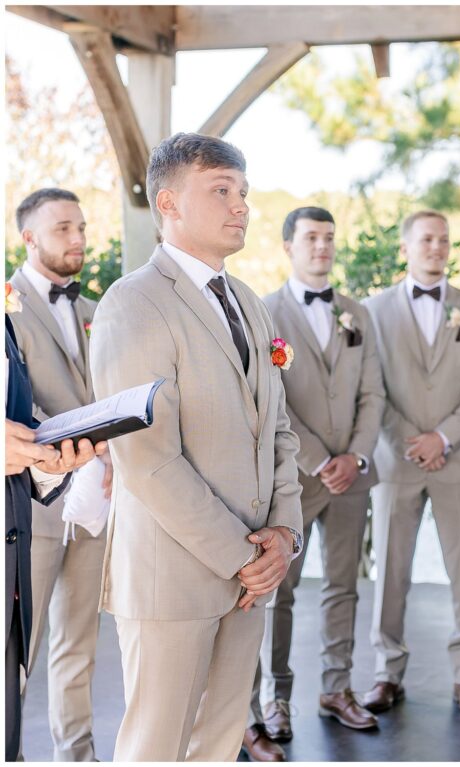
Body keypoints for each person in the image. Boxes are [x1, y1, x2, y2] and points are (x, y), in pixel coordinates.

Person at [89, 132, 304, 761]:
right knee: (155, 750)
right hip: (174, 578)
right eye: (221, 191)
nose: (240, 206)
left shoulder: (250, 305)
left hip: (252, 575)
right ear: (169, 202)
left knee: (216, 748)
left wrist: (284, 534)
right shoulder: (133, 302)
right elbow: (145, 459)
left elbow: (279, 430)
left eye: (243, 192)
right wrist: (240, 555)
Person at [248, 206, 386, 759]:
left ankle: (336, 688)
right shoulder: (264, 312)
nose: (322, 247)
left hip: (351, 478)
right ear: (289, 246)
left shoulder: (357, 314)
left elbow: (374, 392)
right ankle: (276, 700)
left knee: (344, 586)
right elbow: (268, 397)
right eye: (311, 238)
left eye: (329, 238)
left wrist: (355, 455)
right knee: (280, 591)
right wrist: (317, 458)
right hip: (293, 481)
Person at [363, 210, 460, 716]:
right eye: (426, 239)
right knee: (390, 571)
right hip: (396, 461)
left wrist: (442, 437)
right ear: (406, 247)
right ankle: (386, 673)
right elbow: (370, 386)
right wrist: (412, 440)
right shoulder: (372, 310)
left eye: (444, 240)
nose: (436, 248)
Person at [8, 187, 110, 761]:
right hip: (31, 502)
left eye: (81, 228)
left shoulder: (97, 312)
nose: (78, 239)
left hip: (95, 503)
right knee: (14, 646)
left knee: (81, 643)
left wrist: (114, 457)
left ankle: (78, 754)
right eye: (64, 229)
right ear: (29, 237)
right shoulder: (5, 306)